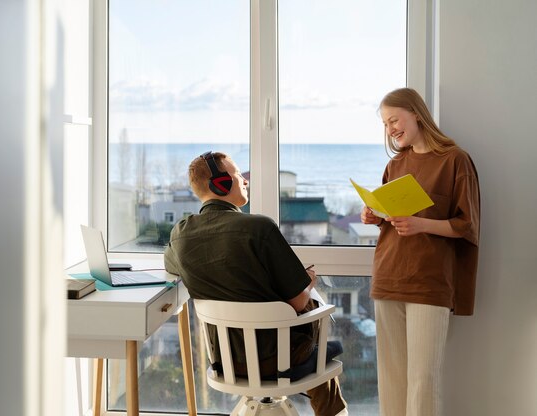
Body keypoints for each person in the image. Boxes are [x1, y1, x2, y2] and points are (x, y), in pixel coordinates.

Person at [165, 151, 347, 416]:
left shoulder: (179, 233)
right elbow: (297, 301)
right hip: (275, 361)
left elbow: (171, 266)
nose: (245, 181)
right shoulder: (259, 228)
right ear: (221, 184)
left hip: (226, 363)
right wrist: (308, 282)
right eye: (238, 175)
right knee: (310, 306)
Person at [361, 87, 480, 416]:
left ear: (416, 114)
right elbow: (393, 221)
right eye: (385, 124)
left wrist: (421, 224)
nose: (391, 129)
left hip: (429, 282)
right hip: (388, 276)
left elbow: (466, 225)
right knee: (393, 378)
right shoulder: (396, 164)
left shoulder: (455, 160)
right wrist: (374, 216)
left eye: (394, 120)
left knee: (423, 380)